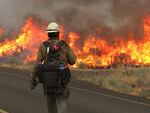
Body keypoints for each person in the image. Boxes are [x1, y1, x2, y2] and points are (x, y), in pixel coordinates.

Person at [30, 22, 76, 113]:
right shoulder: (64, 45)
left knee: (50, 102)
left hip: (48, 82)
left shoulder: (43, 46)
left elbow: (37, 64)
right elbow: (72, 60)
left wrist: (33, 80)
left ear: (48, 33)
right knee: (61, 100)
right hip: (61, 82)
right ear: (58, 33)